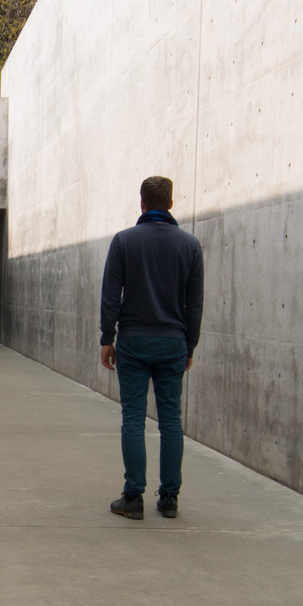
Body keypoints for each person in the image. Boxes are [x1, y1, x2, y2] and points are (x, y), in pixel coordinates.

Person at [99, 175, 204, 519]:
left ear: (141, 203)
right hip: (173, 342)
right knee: (170, 419)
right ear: (171, 204)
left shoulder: (124, 241)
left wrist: (106, 337)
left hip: (133, 340)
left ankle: (133, 498)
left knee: (133, 417)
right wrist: (190, 345)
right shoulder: (190, 246)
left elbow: (111, 295)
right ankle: (169, 499)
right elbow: (195, 303)